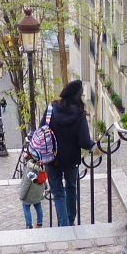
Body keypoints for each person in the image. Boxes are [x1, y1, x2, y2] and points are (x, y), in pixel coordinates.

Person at [42, 80, 93, 226]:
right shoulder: (79, 115)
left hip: (50, 158)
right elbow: (84, 142)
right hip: (71, 160)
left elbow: (41, 129)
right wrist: (93, 144)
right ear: (78, 96)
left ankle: (63, 225)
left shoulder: (51, 109)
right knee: (71, 188)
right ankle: (70, 220)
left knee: (58, 193)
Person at [19, 161, 46, 228]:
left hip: (29, 194)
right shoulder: (41, 167)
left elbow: (26, 184)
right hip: (38, 192)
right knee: (38, 206)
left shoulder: (29, 169)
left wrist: (22, 195)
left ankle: (29, 224)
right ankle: (39, 223)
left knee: (26, 207)